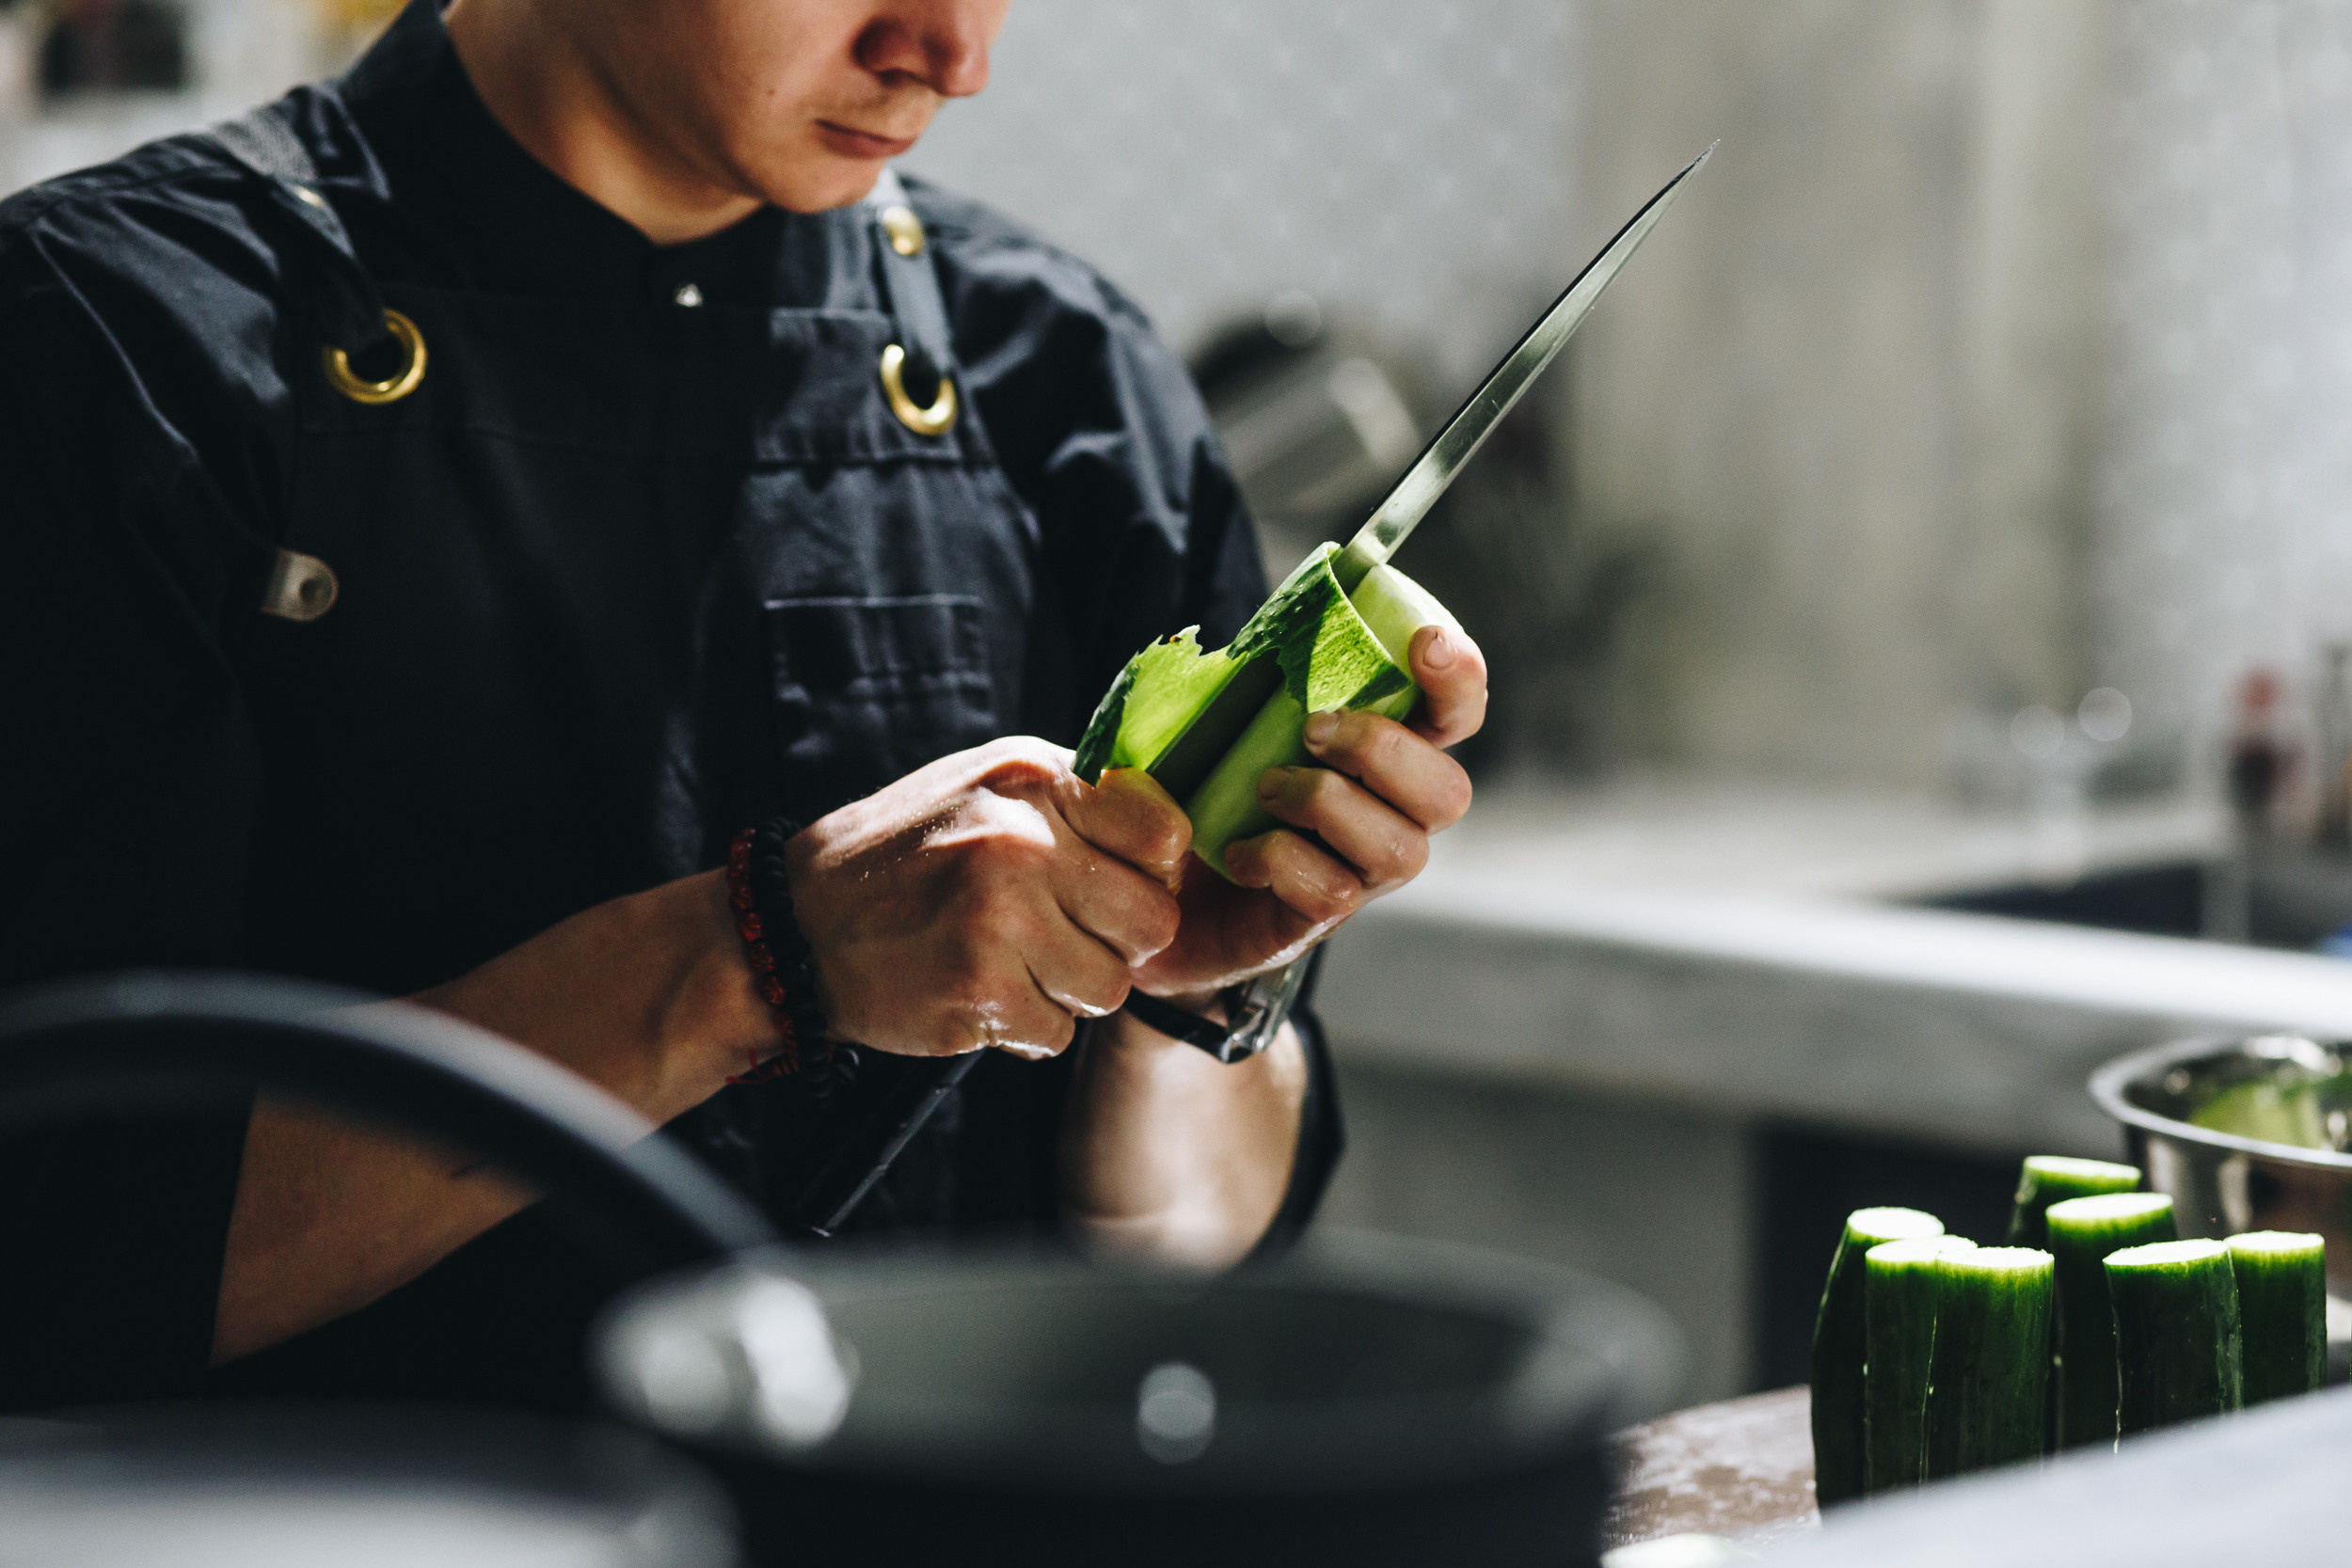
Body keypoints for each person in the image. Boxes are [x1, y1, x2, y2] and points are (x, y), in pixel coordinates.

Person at [0, 0, 1486, 1412]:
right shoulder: (113, 347)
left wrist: (1171, 990)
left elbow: (1183, 1265)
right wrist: (752, 955)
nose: (949, 56)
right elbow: (60, 1256)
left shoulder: (1065, 386)